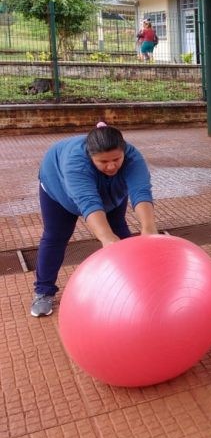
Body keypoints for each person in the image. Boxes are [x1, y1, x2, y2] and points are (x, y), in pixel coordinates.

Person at [30, 122, 158, 317]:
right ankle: (43, 291)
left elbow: (140, 192)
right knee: (56, 236)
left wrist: (149, 230)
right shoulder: (76, 163)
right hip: (58, 189)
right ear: (91, 158)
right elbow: (88, 202)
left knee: (120, 233)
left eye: (116, 159)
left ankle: (133, 282)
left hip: (111, 193)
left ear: (124, 151)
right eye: (103, 162)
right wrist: (107, 239)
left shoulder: (133, 157)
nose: (112, 165)